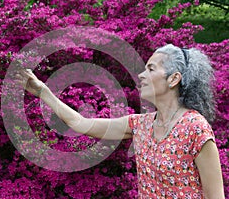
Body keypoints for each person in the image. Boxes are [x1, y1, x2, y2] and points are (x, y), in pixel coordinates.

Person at [16, 44, 224, 198]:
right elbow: (81, 124)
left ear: (173, 79)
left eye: (151, 69)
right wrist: (43, 92)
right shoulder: (140, 125)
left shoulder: (195, 128)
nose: (141, 75)